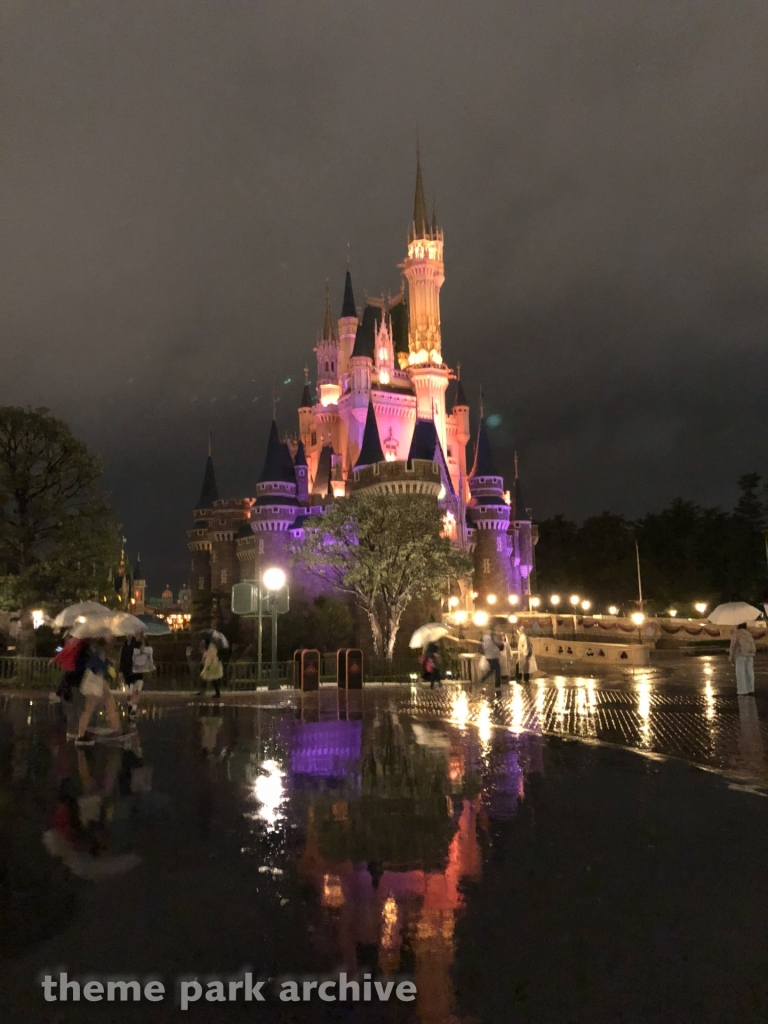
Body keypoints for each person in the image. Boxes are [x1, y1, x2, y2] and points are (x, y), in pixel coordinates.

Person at [74, 639, 123, 746]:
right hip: (94, 680)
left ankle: (116, 729)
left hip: (97, 679)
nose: (113, 639)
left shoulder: (98, 650)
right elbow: (95, 666)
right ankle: (80, 736)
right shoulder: (96, 650)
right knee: (89, 707)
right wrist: (107, 666)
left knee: (109, 702)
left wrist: (107, 663)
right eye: (110, 638)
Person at [119, 632, 145, 719]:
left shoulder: (139, 643)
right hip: (129, 671)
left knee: (136, 690)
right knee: (130, 691)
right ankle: (131, 706)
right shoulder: (126, 644)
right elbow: (122, 657)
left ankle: (133, 708)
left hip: (136, 671)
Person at [729, 622, 756, 695]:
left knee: (740, 672)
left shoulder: (736, 633)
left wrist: (731, 656)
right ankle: (750, 688)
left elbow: (733, 645)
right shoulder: (748, 633)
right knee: (750, 671)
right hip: (749, 654)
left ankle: (742, 690)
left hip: (740, 654)